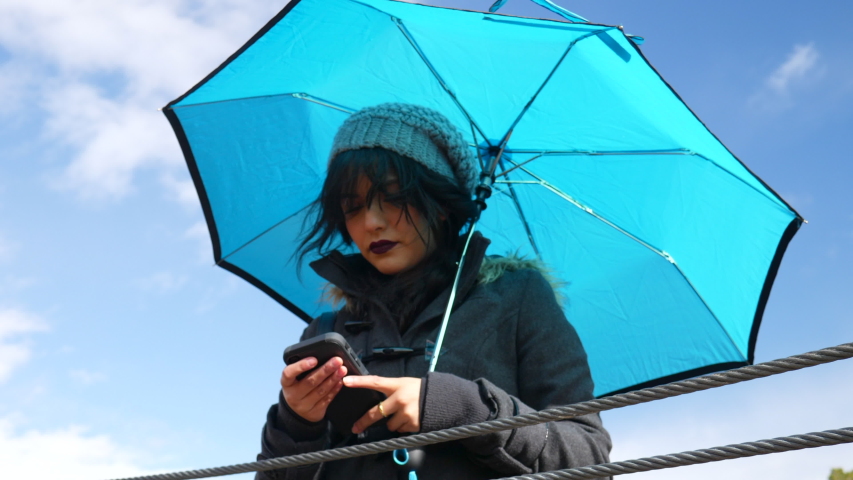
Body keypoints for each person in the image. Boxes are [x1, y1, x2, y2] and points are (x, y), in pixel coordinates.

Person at [255, 103, 611, 480]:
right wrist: (296, 424)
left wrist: (465, 408)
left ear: (440, 204)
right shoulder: (328, 330)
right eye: (352, 206)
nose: (371, 222)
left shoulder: (518, 297)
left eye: (393, 196)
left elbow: (589, 459)